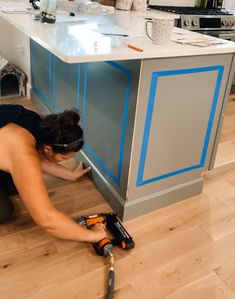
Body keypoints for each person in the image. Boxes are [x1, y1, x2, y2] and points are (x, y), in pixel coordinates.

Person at [0, 104, 107, 243]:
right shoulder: (21, 151)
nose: (63, 161)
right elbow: (47, 220)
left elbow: (39, 155)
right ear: (48, 148)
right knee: (4, 212)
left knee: (18, 185)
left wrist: (70, 174)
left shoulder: (39, 125)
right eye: (63, 158)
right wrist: (94, 236)